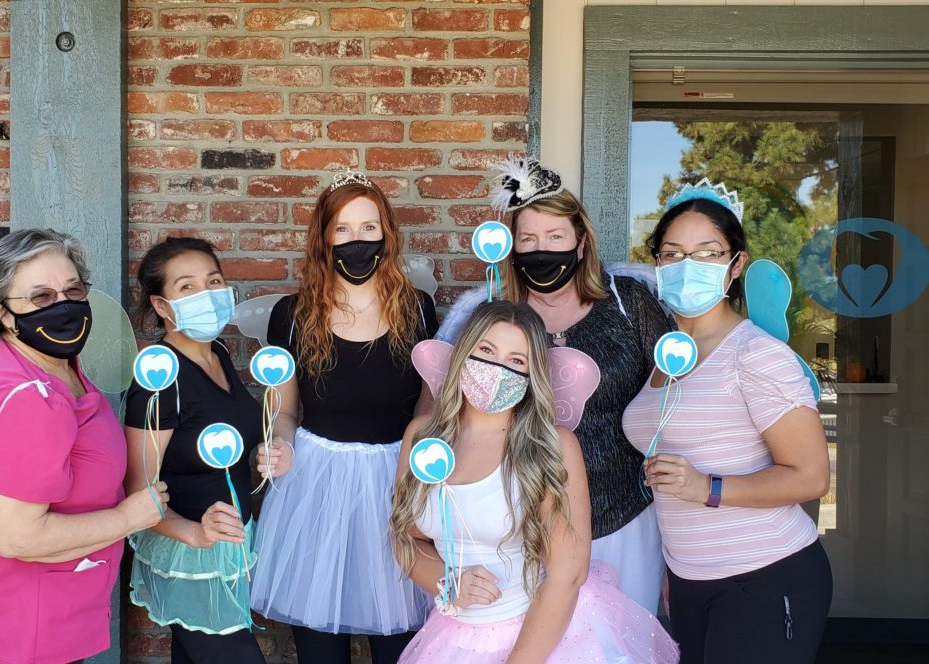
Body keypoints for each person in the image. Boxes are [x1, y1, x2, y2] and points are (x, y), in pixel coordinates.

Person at [390, 300, 678, 663]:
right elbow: (406, 537)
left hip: (542, 639)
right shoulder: (423, 438)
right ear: (463, 352)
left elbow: (566, 575)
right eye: (486, 350)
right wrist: (447, 583)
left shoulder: (551, 446)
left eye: (516, 361)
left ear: (532, 377)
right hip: (456, 640)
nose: (497, 369)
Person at [624, 184, 832, 663]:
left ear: (736, 264)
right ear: (657, 263)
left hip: (764, 574)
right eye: (673, 253)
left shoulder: (755, 355)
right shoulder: (665, 355)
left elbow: (811, 477)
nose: (687, 265)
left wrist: (707, 487)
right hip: (690, 580)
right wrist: (674, 568)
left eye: (707, 253)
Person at [0, 228, 168, 664]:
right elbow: (18, 537)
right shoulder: (30, 399)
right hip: (34, 620)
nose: (64, 306)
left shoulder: (46, 361)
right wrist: (129, 517)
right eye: (41, 297)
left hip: (38, 602)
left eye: (73, 291)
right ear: (2, 310)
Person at [250, 171, 438, 664]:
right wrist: (280, 445)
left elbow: (428, 405)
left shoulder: (417, 310)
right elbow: (284, 410)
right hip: (318, 487)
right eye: (343, 229)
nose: (357, 241)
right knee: (319, 648)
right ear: (324, 238)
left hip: (396, 482)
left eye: (369, 227)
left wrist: (418, 466)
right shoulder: (293, 315)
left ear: (386, 233)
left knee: (399, 644)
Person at [489, 158, 673, 612]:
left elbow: (672, 399)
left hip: (626, 518)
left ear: (581, 241)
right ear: (511, 247)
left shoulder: (629, 303)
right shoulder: (497, 320)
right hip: (527, 527)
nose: (541, 250)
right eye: (528, 239)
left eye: (555, 237)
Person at [123, 237, 265, 664]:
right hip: (191, 557)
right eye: (187, 287)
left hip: (230, 547)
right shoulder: (158, 379)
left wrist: (266, 452)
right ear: (162, 305)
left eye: (213, 281)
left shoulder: (217, 353)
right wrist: (195, 534)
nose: (206, 294)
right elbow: (138, 491)